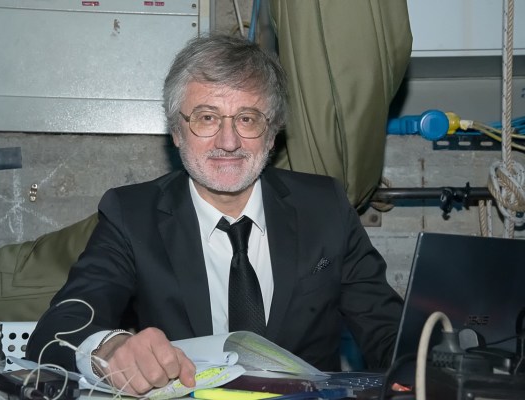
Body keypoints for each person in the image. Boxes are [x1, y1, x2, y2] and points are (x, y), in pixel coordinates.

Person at [26, 33, 403, 395]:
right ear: (176, 131)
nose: (228, 142)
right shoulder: (132, 215)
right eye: (207, 118)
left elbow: (388, 328)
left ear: (272, 134)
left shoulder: (324, 206)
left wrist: (421, 370)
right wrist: (110, 349)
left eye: (248, 119)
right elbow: (59, 329)